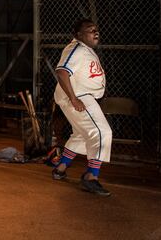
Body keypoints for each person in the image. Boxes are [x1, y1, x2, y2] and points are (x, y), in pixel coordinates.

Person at [50, 19, 111, 196]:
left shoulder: (85, 49)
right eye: (90, 30)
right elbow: (62, 72)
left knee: (82, 134)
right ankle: (91, 176)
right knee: (102, 132)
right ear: (78, 34)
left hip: (81, 95)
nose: (95, 32)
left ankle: (60, 168)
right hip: (79, 96)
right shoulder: (76, 48)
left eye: (96, 29)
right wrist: (74, 99)